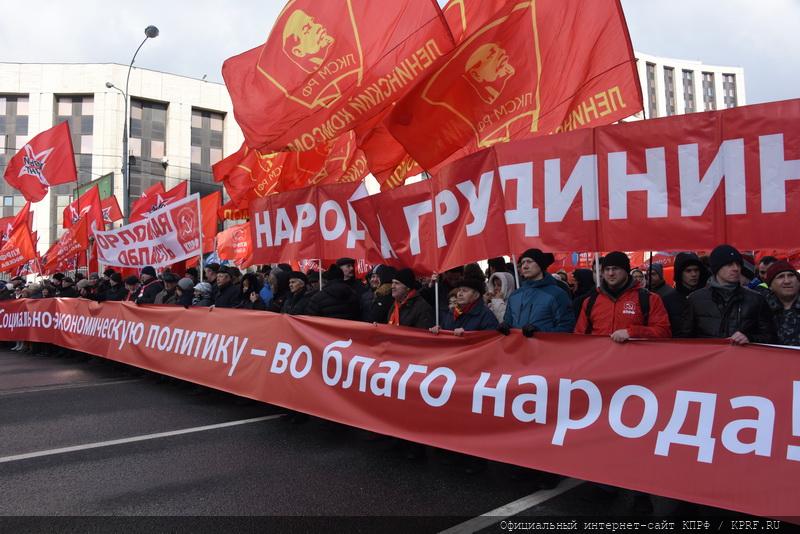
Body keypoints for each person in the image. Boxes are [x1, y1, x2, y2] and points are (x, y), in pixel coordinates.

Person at [678, 245, 774, 344]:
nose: (736, 268)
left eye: (738, 264)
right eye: (729, 264)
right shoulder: (695, 300)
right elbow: (684, 340)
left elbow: (770, 337)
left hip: (743, 357)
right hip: (709, 358)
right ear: (716, 268)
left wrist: (750, 338)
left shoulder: (756, 299)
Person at [575, 251, 671, 342]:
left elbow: (664, 332)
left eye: (615, 268)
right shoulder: (590, 301)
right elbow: (579, 336)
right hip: (600, 357)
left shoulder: (649, 299)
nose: (610, 273)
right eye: (607, 269)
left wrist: (632, 333)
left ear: (626, 271)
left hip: (634, 358)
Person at [499, 249, 575, 336]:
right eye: (523, 263)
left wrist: (539, 332)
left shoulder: (557, 294)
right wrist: (505, 326)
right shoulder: (515, 295)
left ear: (540, 265)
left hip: (545, 348)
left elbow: (566, 327)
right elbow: (508, 320)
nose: (525, 266)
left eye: (529, 262)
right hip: (519, 348)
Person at [432, 277, 498, 335]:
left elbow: (490, 340)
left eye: (464, 291)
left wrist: (467, 334)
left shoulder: (486, 315)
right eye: (459, 290)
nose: (460, 294)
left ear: (476, 295)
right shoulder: (452, 312)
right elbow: (445, 328)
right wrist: (440, 330)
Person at [763, 260, 800, 346]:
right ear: (770, 286)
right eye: (780, 277)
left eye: (791, 275)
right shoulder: (762, 309)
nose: (787, 281)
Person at [647, 263, 685, 334]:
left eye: (653, 274)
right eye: (648, 275)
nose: (650, 277)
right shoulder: (647, 292)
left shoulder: (670, 293)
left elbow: (675, 320)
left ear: (660, 275)